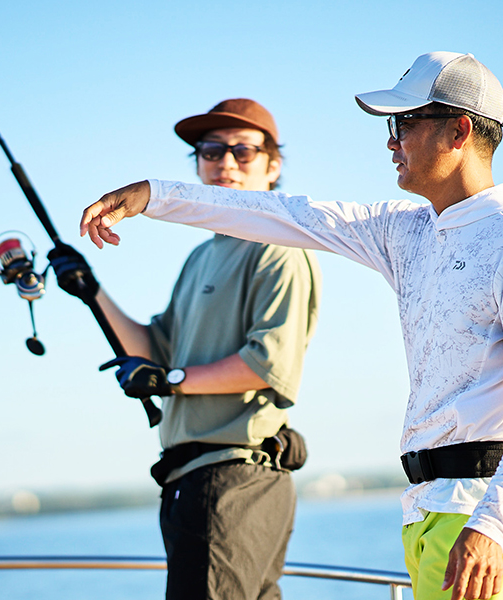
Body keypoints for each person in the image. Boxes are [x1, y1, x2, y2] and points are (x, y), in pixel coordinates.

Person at [79, 52, 503, 600]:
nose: (392, 141)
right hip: (428, 507)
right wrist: (156, 195)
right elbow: (287, 215)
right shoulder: (406, 231)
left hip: (482, 514)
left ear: (458, 130)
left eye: (404, 123)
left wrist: (491, 525)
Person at [69, 99, 322, 600]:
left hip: (233, 480)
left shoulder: (280, 247)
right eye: (211, 150)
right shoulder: (201, 257)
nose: (225, 162)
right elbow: (154, 350)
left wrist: (171, 382)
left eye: (243, 152)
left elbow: (268, 364)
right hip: (192, 481)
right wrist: (88, 288)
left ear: (272, 167)